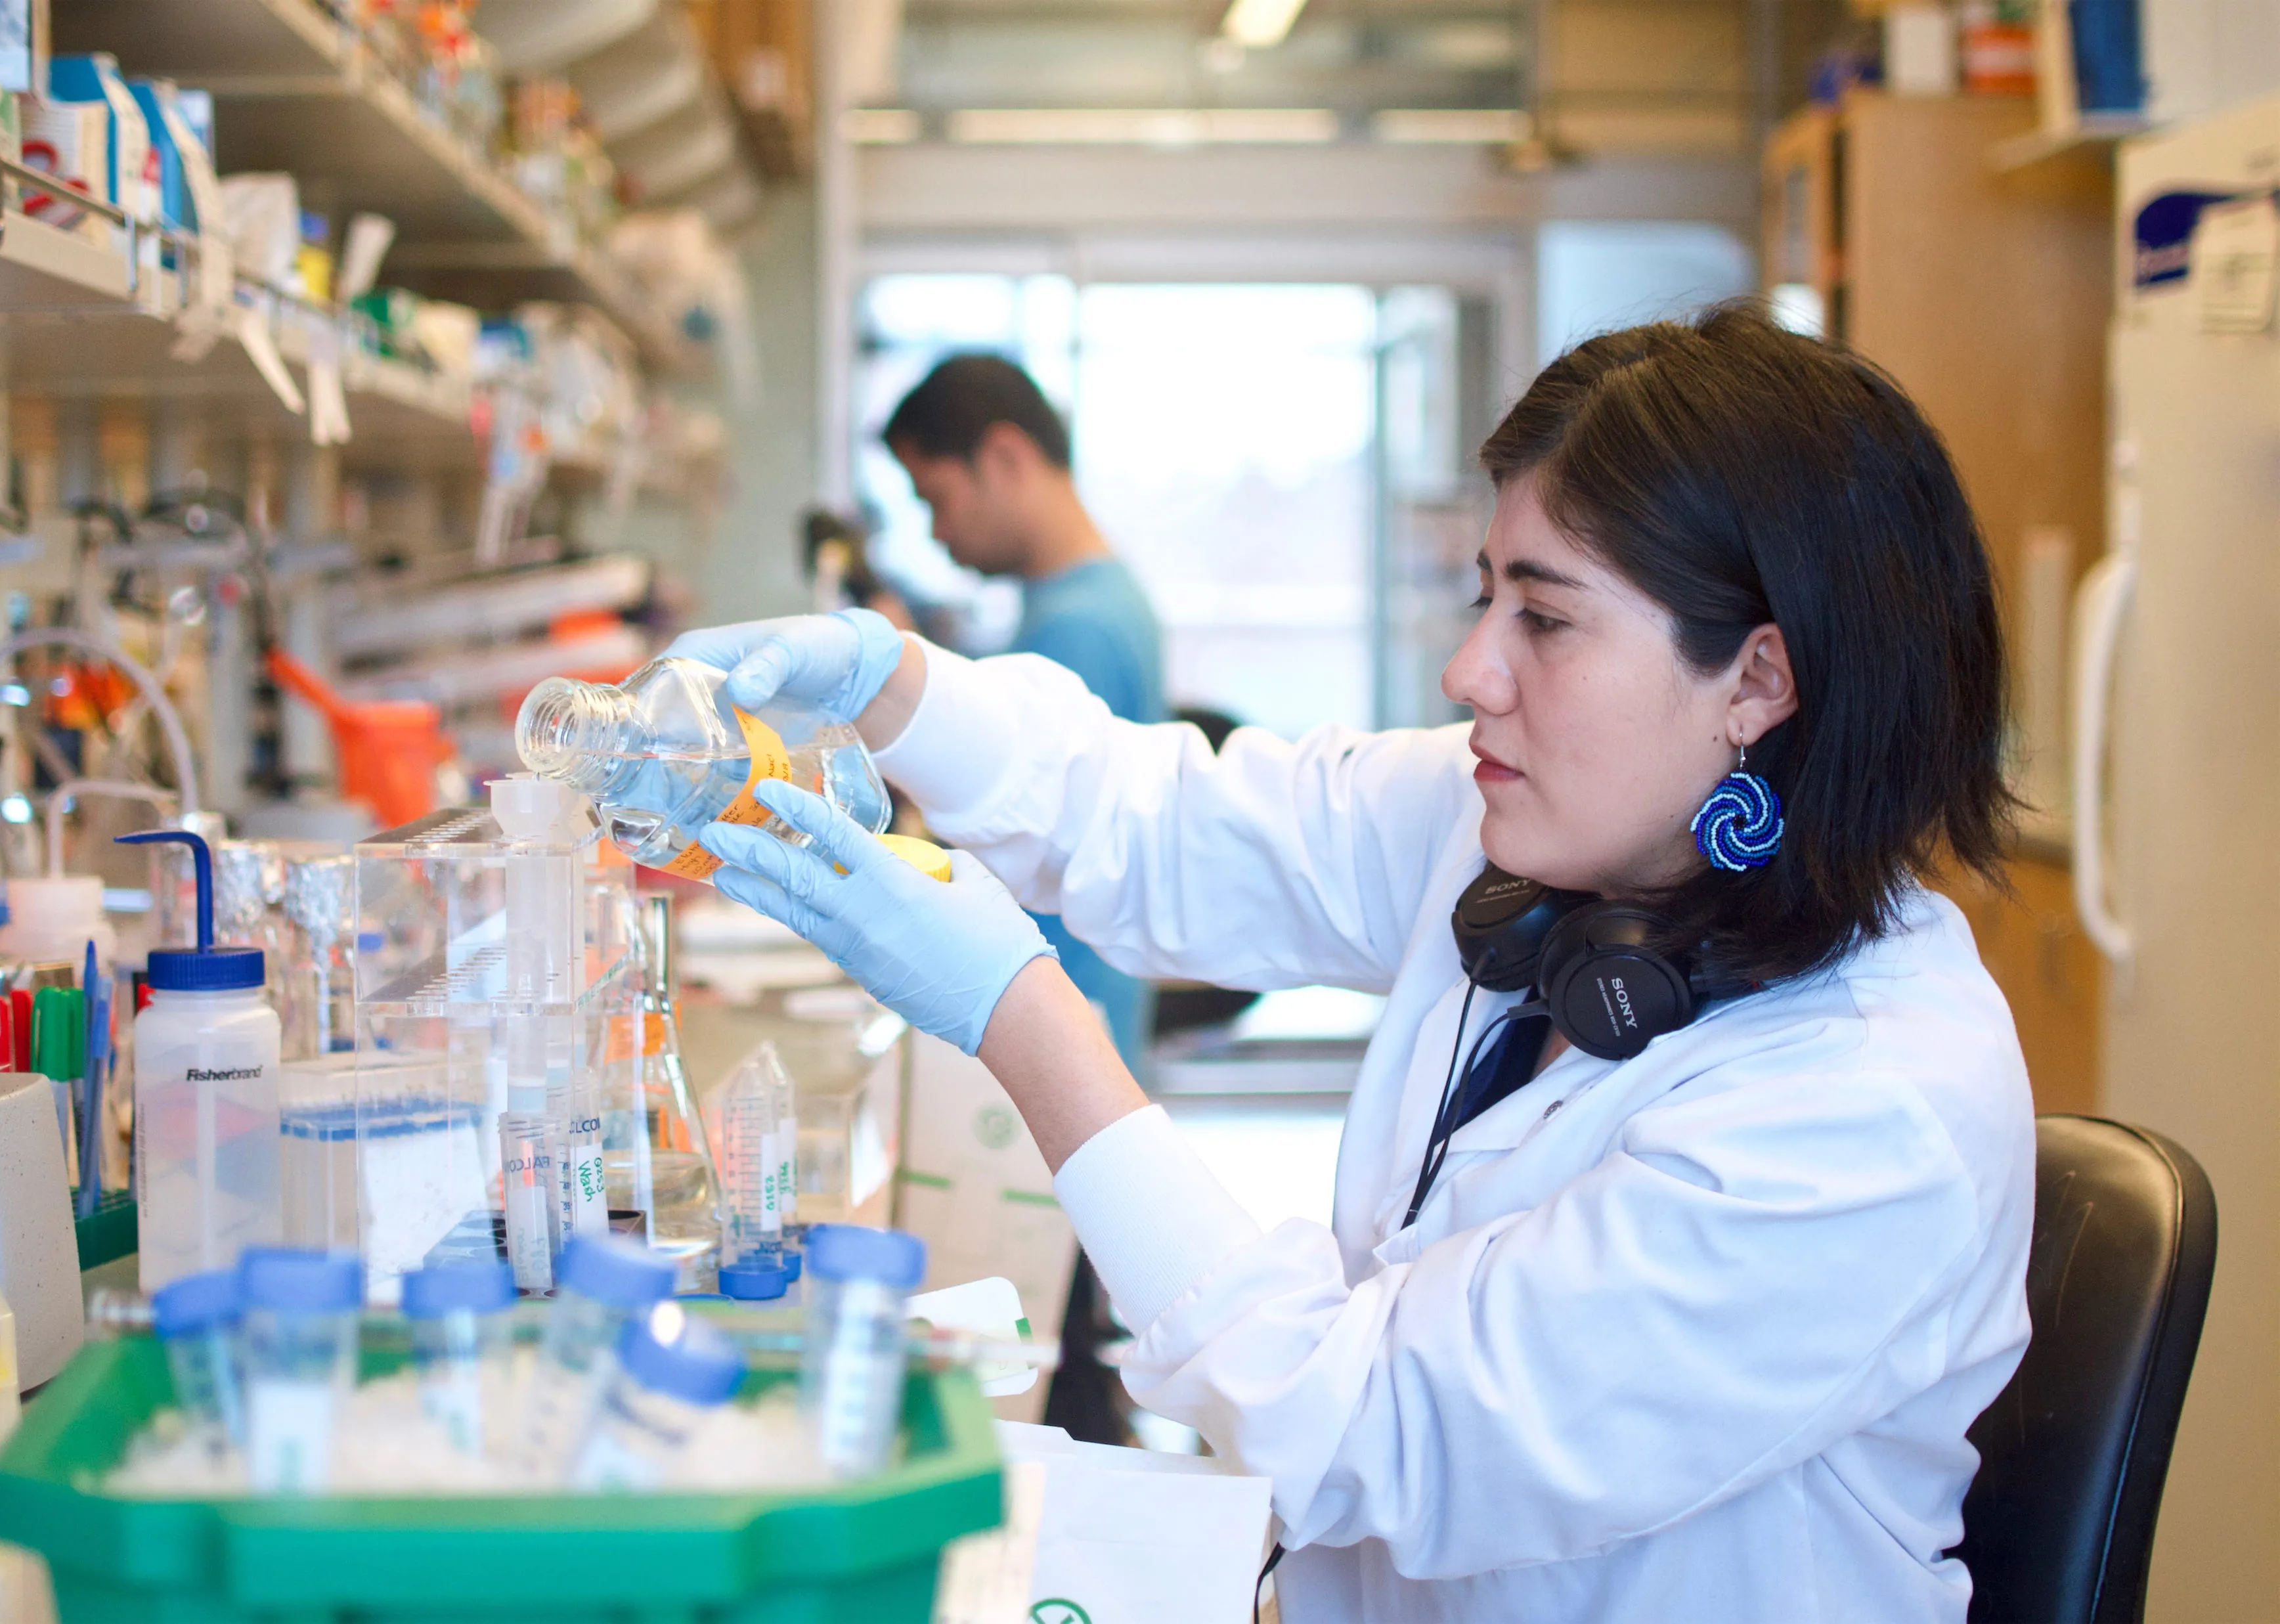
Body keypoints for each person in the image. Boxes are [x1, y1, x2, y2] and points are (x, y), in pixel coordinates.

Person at [667, 305, 2033, 1623]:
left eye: (1544, 621)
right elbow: (1172, 823)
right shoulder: (1526, 827)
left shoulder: (1872, 1105)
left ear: (1757, 680)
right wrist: (890, 687)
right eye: (1483, 597)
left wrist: (1027, 1019)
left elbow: (1380, 1431)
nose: (1469, 670)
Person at [881, 353, 1165, 1081]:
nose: (937, 531)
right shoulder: (1091, 601)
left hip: (1059, 1025)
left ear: (1005, 456)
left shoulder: (1077, 630)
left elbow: (998, 831)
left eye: (936, 497)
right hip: (1075, 1016)